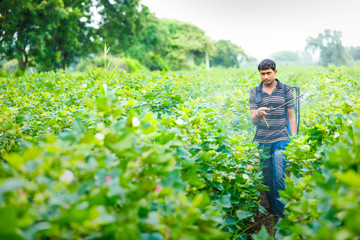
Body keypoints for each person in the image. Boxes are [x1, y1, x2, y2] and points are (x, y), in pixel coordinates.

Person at [249, 59, 297, 221]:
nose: (265, 77)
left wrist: (294, 139)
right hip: (262, 139)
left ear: (275, 72)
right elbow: (253, 121)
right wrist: (258, 113)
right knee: (267, 178)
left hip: (281, 137)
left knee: (279, 174)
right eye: (262, 74)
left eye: (268, 73)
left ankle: (281, 213)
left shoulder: (286, 90)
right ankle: (273, 208)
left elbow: (291, 117)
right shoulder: (255, 93)